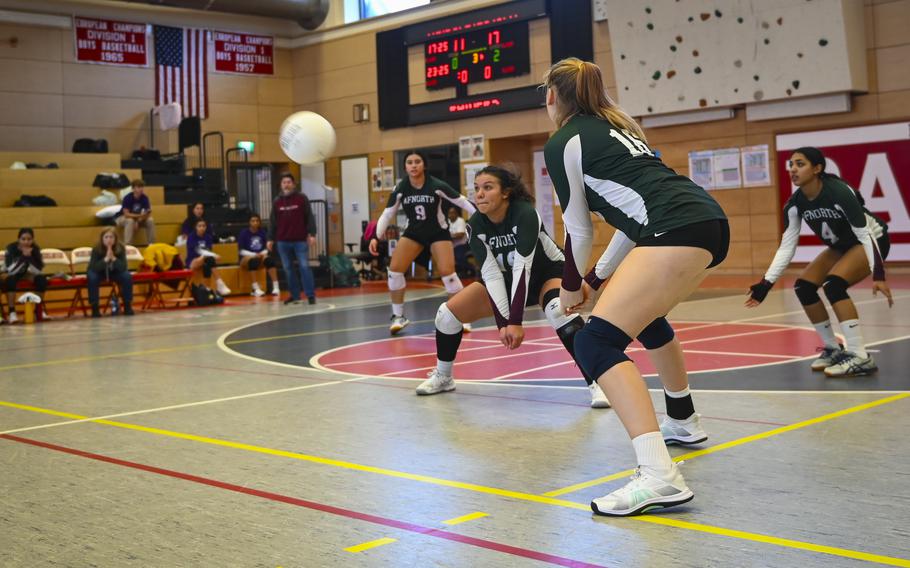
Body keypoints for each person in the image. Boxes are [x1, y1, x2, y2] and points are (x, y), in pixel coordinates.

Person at [543, 58, 729, 516]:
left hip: (674, 228)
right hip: (705, 220)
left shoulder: (564, 141)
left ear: (552, 96)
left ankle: (659, 476)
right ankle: (682, 421)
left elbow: (579, 230)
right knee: (644, 317)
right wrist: (596, 278)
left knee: (595, 343)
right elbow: (631, 222)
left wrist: (570, 287)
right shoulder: (617, 130)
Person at [415, 166, 611, 408]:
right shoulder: (475, 224)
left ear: (505, 192)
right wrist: (504, 323)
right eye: (477, 189)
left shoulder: (525, 214)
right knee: (447, 315)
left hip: (547, 273)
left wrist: (515, 322)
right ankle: (444, 376)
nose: (480, 194)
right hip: (507, 280)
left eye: (488, 188)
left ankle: (598, 383)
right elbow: (491, 275)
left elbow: (523, 267)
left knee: (558, 311)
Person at [746, 147, 891, 377]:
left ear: (817, 168)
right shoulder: (795, 204)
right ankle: (833, 348)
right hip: (842, 244)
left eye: (800, 164)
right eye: (791, 164)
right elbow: (787, 246)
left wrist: (879, 275)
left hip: (872, 240)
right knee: (803, 287)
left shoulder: (839, 192)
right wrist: (766, 283)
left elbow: (865, 234)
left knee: (834, 285)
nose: (793, 169)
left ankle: (860, 355)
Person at [368, 151, 476, 334]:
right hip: (414, 233)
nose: (414, 165)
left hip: (438, 233)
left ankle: (462, 317)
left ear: (424, 165)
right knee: (394, 271)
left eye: (417, 161)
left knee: (448, 274)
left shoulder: (436, 185)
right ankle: (398, 316)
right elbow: (387, 213)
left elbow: (462, 202)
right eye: (409, 162)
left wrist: (481, 220)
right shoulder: (401, 188)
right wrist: (376, 237)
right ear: (405, 167)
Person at [267, 173, 318, 305]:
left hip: (300, 240)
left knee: (304, 266)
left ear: (293, 184)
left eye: (289, 182)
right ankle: (295, 295)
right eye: (284, 182)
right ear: (281, 185)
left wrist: (312, 234)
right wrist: (270, 239)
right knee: (288, 269)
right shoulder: (277, 201)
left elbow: (309, 217)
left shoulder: (302, 199)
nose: (286, 185)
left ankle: (310, 295)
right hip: (283, 241)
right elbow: (273, 221)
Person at [3, 228, 48, 324]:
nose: (26, 242)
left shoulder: (35, 249)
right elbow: (11, 270)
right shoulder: (11, 248)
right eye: (23, 239)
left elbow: (38, 270)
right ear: (18, 239)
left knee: (41, 279)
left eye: (29, 239)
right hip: (9, 273)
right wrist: (23, 257)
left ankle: (38, 310)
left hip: (24, 272)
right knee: (10, 280)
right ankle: (12, 312)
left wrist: (29, 257)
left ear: (33, 240)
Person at [86, 227, 134, 317]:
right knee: (92, 278)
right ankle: (95, 307)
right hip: (98, 272)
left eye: (111, 237)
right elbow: (94, 267)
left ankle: (128, 306)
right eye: (106, 237)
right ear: (102, 238)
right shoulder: (96, 249)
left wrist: (114, 259)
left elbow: (123, 267)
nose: (109, 239)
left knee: (127, 276)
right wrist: (106, 259)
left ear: (115, 239)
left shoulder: (120, 248)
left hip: (114, 271)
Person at [185, 219, 231, 296]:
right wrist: (214, 255)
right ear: (196, 227)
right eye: (199, 226)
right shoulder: (191, 237)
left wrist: (211, 255)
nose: (202, 228)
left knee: (209, 261)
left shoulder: (208, 237)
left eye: (203, 226)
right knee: (208, 258)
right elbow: (197, 250)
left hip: (205, 260)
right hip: (193, 261)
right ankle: (220, 283)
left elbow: (208, 251)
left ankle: (213, 286)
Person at [238, 214, 280, 297]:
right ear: (249, 222)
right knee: (253, 261)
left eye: (257, 221)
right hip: (247, 257)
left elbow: (268, 248)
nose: (255, 223)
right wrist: (254, 254)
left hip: (260, 256)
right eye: (253, 221)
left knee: (270, 261)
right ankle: (255, 288)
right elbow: (241, 251)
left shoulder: (262, 232)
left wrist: (262, 253)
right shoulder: (244, 233)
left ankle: (276, 287)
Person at [116, 179, 156, 245]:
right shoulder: (127, 198)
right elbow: (126, 214)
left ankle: (151, 243)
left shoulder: (144, 198)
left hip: (137, 219)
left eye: (142, 187)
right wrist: (139, 217)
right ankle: (128, 245)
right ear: (133, 189)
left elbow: (147, 213)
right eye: (139, 187)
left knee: (150, 220)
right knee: (130, 221)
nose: (141, 189)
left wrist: (138, 221)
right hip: (122, 218)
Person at [447, 206, 472, 277]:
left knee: (458, 256)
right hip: (452, 245)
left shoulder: (460, 220)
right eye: (449, 213)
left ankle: (472, 268)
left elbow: (460, 235)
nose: (451, 215)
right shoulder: (448, 221)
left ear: (457, 214)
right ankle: (460, 272)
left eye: (453, 213)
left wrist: (449, 235)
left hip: (463, 244)